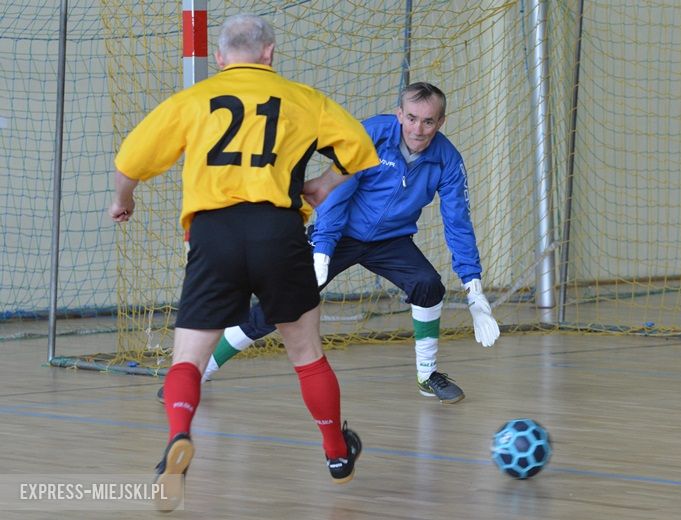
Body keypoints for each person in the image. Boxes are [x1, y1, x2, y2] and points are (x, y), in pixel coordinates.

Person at [109, 14, 379, 511]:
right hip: (278, 231)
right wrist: (323, 184)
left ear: (219, 58)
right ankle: (337, 453)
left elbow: (130, 160)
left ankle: (177, 439)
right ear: (269, 54)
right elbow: (361, 152)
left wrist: (123, 200)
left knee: (188, 358)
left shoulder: (193, 101)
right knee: (306, 353)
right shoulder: (303, 99)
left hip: (214, 235)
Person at [158, 81, 500, 407]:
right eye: (411, 118)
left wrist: (474, 290)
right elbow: (338, 194)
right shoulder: (371, 136)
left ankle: (427, 376)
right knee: (279, 305)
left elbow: (458, 222)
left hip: (390, 240)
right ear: (399, 114)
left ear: (441, 122)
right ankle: (203, 370)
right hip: (340, 234)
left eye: (428, 121)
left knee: (428, 285)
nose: (418, 129)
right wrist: (322, 248)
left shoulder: (448, 160)